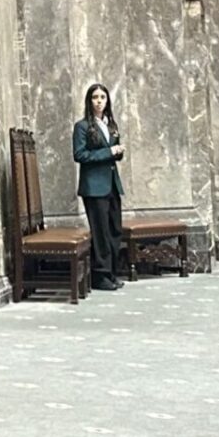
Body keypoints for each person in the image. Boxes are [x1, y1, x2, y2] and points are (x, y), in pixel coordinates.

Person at [73, 83, 126, 291]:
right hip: (94, 187)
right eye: (95, 97)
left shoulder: (110, 124)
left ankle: (111, 272)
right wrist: (110, 152)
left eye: (103, 97)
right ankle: (99, 275)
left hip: (112, 184)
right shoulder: (82, 126)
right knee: (101, 231)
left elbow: (113, 153)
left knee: (114, 229)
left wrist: (118, 151)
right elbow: (79, 155)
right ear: (89, 100)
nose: (99, 101)